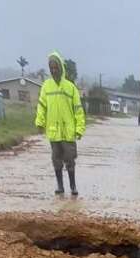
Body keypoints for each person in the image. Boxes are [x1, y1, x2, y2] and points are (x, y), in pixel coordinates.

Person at [35, 51, 86, 195]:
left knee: (70, 159)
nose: (53, 70)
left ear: (61, 68)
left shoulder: (70, 87)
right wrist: (40, 122)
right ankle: (60, 185)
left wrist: (79, 129)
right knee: (56, 160)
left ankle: (73, 186)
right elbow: (42, 106)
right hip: (53, 131)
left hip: (68, 131)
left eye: (56, 67)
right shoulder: (46, 86)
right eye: (51, 68)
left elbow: (78, 110)